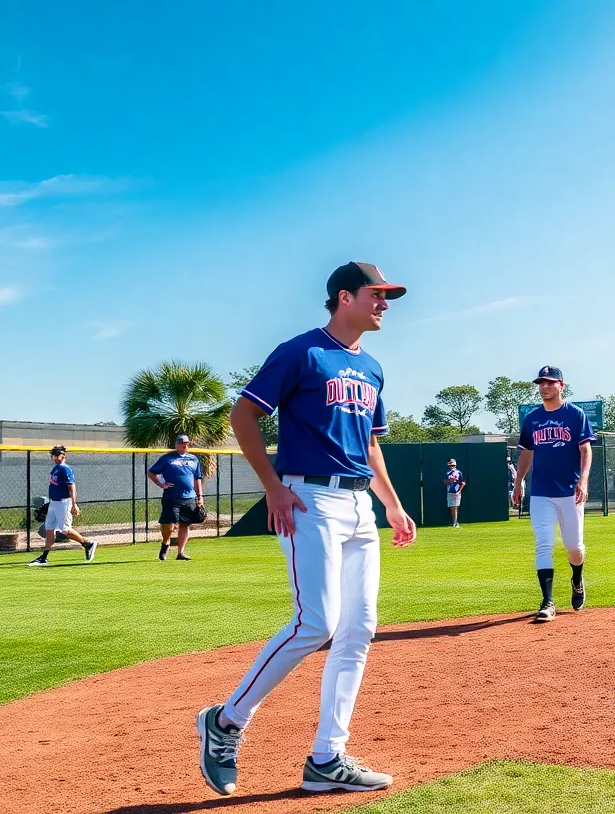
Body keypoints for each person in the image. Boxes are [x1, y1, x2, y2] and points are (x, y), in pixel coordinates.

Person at [197, 261, 416, 797]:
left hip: (359, 503)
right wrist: (273, 486)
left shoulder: (373, 367)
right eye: (377, 294)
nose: (385, 303)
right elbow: (243, 415)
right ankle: (225, 722)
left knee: (359, 630)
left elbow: (370, 444)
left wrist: (391, 503)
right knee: (315, 622)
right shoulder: (302, 351)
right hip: (308, 497)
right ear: (345, 297)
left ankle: (327, 757)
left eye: (388, 296)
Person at [512, 366, 595, 622]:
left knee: (574, 546)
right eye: (541, 382)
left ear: (561, 385)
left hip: (570, 491)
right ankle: (547, 602)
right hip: (541, 493)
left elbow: (585, 450)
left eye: (549, 382)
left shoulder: (575, 414)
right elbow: (526, 453)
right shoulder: (532, 418)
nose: (544, 386)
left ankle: (577, 578)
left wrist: (583, 480)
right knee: (544, 543)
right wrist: (518, 482)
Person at [27, 445, 96, 566]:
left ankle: (87, 543)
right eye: (53, 454)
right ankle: (44, 557)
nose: (55, 456)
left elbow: (72, 487)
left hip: (64, 502)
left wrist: (74, 504)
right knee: (49, 530)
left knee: (64, 530)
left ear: (64, 456)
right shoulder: (55, 469)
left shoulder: (65, 469)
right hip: (54, 503)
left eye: (58, 454)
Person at [147, 434, 205, 560]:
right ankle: (166, 542)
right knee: (169, 524)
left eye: (186, 443)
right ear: (176, 444)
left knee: (185, 524)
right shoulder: (167, 458)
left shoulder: (194, 459)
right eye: (181, 443)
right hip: (172, 496)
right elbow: (151, 472)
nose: (184, 445)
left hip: (189, 497)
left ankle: (181, 553)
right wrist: (161, 484)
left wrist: (200, 496)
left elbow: (197, 478)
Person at [445, 458, 466, 527]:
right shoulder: (447, 473)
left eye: (453, 465)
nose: (452, 467)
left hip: (456, 492)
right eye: (451, 465)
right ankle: (454, 521)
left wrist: (459, 491)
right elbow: (444, 481)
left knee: (455, 507)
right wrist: (450, 481)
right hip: (449, 492)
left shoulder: (459, 472)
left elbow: (463, 483)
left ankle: (456, 522)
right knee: (452, 507)